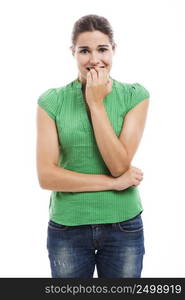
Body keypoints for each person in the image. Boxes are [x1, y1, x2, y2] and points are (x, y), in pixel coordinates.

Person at [36, 14, 150, 278]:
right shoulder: (51, 102)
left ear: (114, 50)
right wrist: (112, 184)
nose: (94, 59)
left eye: (102, 49)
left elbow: (118, 165)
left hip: (123, 227)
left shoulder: (135, 96)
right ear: (72, 52)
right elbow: (47, 176)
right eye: (84, 50)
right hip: (68, 228)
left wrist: (96, 103)